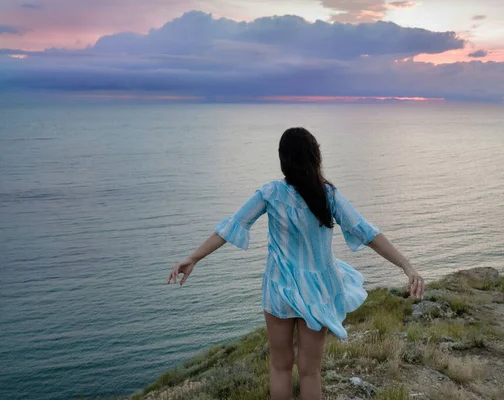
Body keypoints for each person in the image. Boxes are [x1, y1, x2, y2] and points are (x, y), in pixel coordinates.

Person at [167, 127, 425, 400]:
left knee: (280, 366)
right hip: (319, 291)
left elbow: (230, 226)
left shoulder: (270, 193)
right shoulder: (329, 195)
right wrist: (406, 266)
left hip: (279, 288)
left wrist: (193, 257)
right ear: (316, 158)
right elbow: (366, 232)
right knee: (310, 372)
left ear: (283, 159)